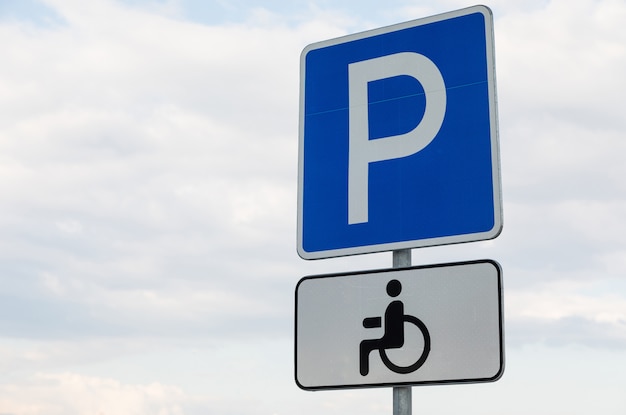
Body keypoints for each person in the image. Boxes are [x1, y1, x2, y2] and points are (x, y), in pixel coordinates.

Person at [359, 279, 405, 376]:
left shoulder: (394, 305)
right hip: (391, 336)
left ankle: (364, 371)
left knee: (365, 345)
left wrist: (367, 323)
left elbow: (384, 322)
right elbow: (383, 321)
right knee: (365, 345)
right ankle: (364, 371)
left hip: (391, 338)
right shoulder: (396, 305)